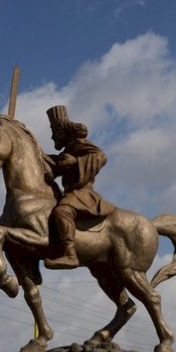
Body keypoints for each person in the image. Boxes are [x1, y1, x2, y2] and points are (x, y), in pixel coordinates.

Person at [44, 105, 115, 270]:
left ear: (63, 131)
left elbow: (101, 157)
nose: (53, 137)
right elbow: (55, 164)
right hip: (70, 192)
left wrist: (76, 162)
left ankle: (70, 254)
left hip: (82, 193)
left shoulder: (79, 144)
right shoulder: (67, 150)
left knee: (62, 211)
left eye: (55, 132)